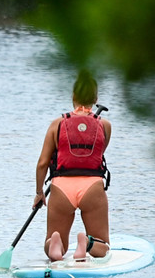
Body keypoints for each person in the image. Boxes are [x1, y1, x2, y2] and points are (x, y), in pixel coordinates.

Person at [35, 71, 111, 261]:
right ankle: (88, 243)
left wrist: (39, 192)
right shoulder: (105, 125)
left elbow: (42, 163)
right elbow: (98, 155)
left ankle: (55, 244)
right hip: (92, 186)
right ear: (95, 99)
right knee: (103, 246)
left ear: (73, 96)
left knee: (53, 240)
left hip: (61, 187)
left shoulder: (57, 124)